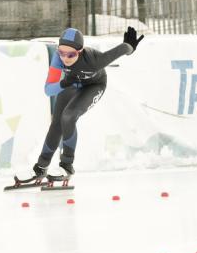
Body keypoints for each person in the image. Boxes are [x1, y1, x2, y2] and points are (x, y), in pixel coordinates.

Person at [33, 26, 144, 178]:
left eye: (71, 54)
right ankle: (42, 165)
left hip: (94, 85)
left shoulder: (94, 61)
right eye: (61, 52)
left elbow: (122, 49)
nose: (65, 58)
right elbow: (48, 90)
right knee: (57, 123)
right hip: (72, 84)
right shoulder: (58, 59)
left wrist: (130, 47)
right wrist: (64, 83)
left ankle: (66, 165)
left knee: (69, 116)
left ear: (80, 51)